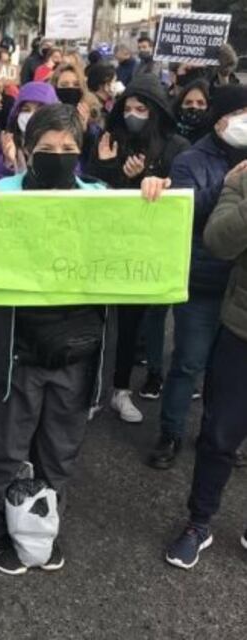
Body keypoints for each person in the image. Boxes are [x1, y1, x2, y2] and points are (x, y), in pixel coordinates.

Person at [0, 103, 169, 575]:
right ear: (28, 150)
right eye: (47, 148)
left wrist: (149, 196)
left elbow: (137, 237)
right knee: (6, 452)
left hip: (77, 354)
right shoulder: (2, 196)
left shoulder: (98, 198)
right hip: (19, 353)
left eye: (68, 148)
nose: (58, 155)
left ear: (79, 153)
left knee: (59, 453)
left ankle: (40, 524)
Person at [147, 86, 247, 470]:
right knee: (190, 362)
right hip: (203, 277)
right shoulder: (192, 159)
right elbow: (183, 214)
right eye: (236, 112)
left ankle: (219, 436)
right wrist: (228, 187)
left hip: (239, 286)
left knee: (228, 372)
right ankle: (170, 433)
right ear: (218, 118)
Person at [163, 143, 247, 571]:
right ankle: (199, 522)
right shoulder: (241, 177)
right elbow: (218, 241)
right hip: (240, 329)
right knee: (219, 435)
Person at [89, 74, 190, 424]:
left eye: (141, 108)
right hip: (104, 246)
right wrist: (108, 168)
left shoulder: (175, 146)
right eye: (127, 107)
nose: (133, 114)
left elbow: (178, 195)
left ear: (156, 111)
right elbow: (89, 193)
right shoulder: (109, 140)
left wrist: (146, 176)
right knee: (96, 323)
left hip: (143, 251)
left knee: (131, 325)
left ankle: (121, 390)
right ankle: (90, 391)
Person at [0, 82, 58, 183]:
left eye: (40, 110)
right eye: (26, 109)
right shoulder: (1, 149)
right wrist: (7, 162)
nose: (32, 115)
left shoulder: (63, 147)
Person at [174, 79, 211, 145]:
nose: (194, 106)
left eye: (200, 103)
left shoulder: (212, 139)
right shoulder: (168, 133)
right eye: (188, 102)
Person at [86, 61, 117, 127]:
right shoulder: (92, 106)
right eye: (114, 81)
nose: (116, 84)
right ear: (106, 84)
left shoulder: (110, 100)